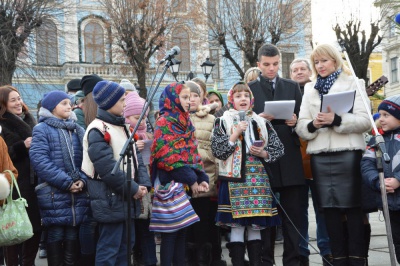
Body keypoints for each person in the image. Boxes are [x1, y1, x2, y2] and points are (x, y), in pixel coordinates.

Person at [296, 43, 371, 265]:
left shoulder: (353, 83)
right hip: (319, 156)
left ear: (336, 60)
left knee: (353, 209)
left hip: (348, 154)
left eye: (324, 61)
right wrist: (314, 125)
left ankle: (357, 259)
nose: (320, 66)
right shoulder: (310, 88)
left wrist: (336, 120)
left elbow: (366, 121)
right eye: (316, 62)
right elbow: (300, 125)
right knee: (327, 210)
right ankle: (337, 259)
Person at [211, 81, 284, 266]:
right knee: (236, 227)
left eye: (246, 95)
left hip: (258, 179)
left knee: (255, 227)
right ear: (231, 100)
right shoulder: (222, 121)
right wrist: (235, 134)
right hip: (235, 180)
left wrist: (264, 153)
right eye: (238, 96)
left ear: (251, 100)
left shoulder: (262, 122)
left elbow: (278, 148)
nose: (242, 99)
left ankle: (255, 263)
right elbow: (218, 151)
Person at [82, 80, 150, 265]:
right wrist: (133, 188)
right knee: (110, 248)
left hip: (125, 196)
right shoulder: (97, 130)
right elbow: (107, 169)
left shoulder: (123, 127)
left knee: (126, 246)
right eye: (121, 100)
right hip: (109, 198)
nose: (125, 104)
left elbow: (137, 160)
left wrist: (143, 184)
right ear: (109, 102)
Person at [248, 44, 305, 266]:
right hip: (263, 160)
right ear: (258, 64)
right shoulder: (250, 88)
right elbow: (242, 121)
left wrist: (295, 121)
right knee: (266, 217)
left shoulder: (292, 86)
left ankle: (292, 261)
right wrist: (257, 120)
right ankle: (265, 260)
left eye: (275, 64)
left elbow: (302, 118)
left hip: (290, 159)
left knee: (293, 216)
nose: (271, 69)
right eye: (266, 65)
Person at [150, 81, 210, 266]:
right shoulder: (165, 121)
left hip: (183, 186)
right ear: (172, 99)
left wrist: (202, 177)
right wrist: (192, 179)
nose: (188, 101)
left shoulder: (185, 120)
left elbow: (191, 152)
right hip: (169, 185)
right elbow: (169, 157)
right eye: (184, 97)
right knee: (170, 234)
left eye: (190, 97)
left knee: (182, 232)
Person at [30, 91, 90, 265]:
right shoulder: (42, 129)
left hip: (77, 193)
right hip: (53, 193)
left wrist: (82, 180)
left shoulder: (77, 129)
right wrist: (66, 182)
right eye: (64, 103)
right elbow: (40, 160)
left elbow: (88, 158)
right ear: (51, 107)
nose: (69, 106)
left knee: (72, 233)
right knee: (56, 232)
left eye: (69, 103)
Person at [290, 58, 332, 266]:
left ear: (310, 71)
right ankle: (301, 253)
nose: (299, 72)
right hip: (296, 162)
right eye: (295, 70)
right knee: (299, 211)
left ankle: (327, 252)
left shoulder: (319, 90)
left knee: (323, 208)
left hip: (318, 159)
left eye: (302, 69)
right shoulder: (286, 93)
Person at [0, 85, 42, 266]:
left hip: (33, 183)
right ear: (3, 104)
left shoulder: (29, 119)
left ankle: (28, 263)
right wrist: (21, 146)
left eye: (19, 98)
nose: (18, 103)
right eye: (13, 100)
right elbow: (3, 154)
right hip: (14, 184)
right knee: (14, 229)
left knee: (34, 229)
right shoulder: (2, 124)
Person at [185, 81, 225, 266]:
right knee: (187, 227)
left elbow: (216, 149)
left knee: (204, 224)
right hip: (181, 182)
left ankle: (206, 259)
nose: (191, 99)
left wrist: (199, 155)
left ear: (202, 98)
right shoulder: (177, 118)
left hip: (204, 179)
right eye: (187, 95)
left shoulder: (211, 119)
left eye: (195, 95)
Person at [361, 95, 400, 264]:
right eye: (380, 114)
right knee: (397, 240)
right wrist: (378, 182)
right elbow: (366, 164)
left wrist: (398, 179)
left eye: (386, 115)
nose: (381, 119)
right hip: (389, 201)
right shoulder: (376, 139)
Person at [124, 91, 157, 266]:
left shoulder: (149, 134)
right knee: (136, 228)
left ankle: (150, 260)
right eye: (137, 118)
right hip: (133, 188)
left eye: (144, 118)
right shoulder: (123, 135)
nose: (142, 122)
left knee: (147, 227)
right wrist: (132, 147)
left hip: (149, 188)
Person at [77, 73, 103, 264]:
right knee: (89, 220)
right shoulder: (80, 115)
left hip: (100, 175)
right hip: (87, 175)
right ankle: (87, 258)